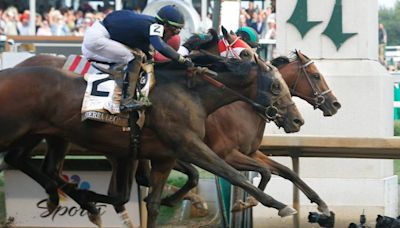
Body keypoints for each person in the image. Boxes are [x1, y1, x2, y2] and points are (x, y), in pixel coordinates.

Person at [81, 5, 192, 112]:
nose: (175, 35)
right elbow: (161, 47)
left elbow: (149, 57)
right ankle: (126, 101)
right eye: (176, 30)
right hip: (97, 38)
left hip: (98, 35)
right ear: (166, 25)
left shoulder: (147, 24)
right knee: (133, 58)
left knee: (138, 57)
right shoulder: (155, 26)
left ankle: (122, 89)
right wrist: (181, 59)